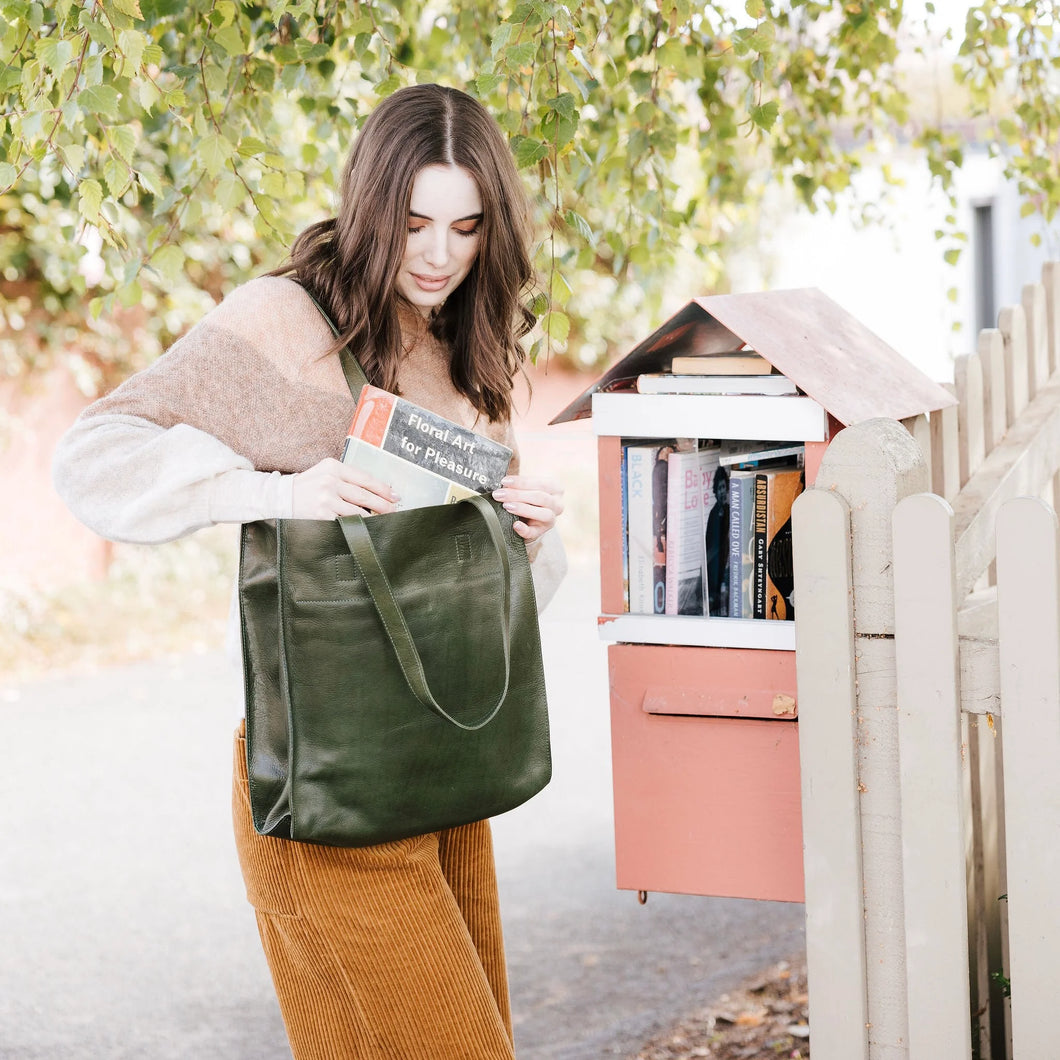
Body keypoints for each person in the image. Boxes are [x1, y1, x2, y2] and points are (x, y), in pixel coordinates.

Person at [53, 83, 566, 1059]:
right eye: (414, 221)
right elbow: (94, 455)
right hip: (328, 786)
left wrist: (527, 534)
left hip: (442, 767)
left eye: (466, 225)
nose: (439, 253)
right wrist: (277, 495)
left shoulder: (468, 351)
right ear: (371, 205)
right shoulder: (286, 323)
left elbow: (472, 599)